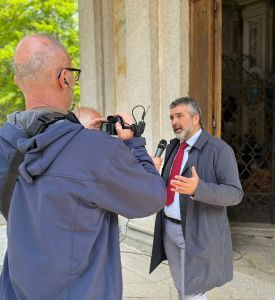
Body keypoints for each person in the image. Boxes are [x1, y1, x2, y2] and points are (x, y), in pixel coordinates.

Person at [0, 34, 166, 300]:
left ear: (18, 82)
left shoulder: (4, 143)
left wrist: (81, 136)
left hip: (17, 291)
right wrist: (134, 145)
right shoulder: (96, 150)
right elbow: (152, 198)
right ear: (63, 77)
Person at [150, 97, 244, 300]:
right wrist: (153, 172)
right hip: (169, 229)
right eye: (172, 117)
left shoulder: (219, 150)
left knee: (194, 290)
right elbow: (169, 188)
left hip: (196, 233)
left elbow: (235, 193)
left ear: (195, 118)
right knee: (182, 287)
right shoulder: (173, 147)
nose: (174, 122)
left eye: (180, 116)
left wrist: (199, 189)